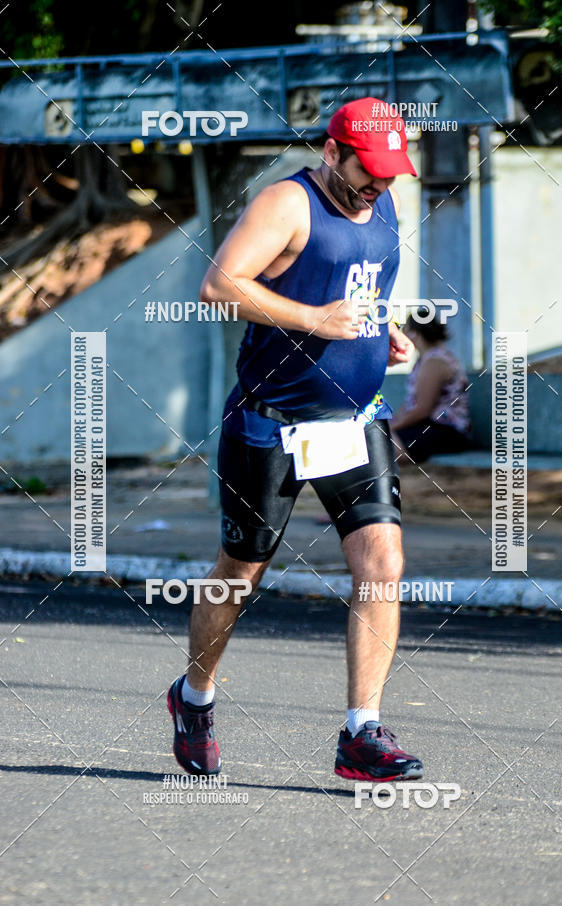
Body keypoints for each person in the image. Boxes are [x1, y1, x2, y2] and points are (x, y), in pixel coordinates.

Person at [167, 97, 425, 783]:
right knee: (239, 575)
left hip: (355, 418)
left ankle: (361, 732)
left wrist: (380, 328)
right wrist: (314, 318)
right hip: (270, 422)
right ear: (332, 151)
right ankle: (194, 699)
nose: (379, 184)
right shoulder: (288, 202)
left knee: (383, 560)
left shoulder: (385, 200)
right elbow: (218, 285)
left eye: (389, 173)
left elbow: (357, 285)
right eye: (367, 170)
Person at [390, 310, 473, 464]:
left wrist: (392, 426)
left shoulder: (435, 361)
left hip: (447, 432)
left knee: (386, 442)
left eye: (405, 331)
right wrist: (392, 422)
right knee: (380, 437)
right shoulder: (426, 359)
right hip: (431, 426)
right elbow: (411, 404)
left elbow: (423, 409)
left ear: (415, 334)